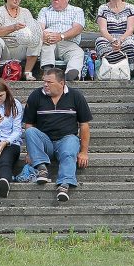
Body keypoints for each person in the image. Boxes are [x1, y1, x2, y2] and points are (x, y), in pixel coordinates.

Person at [23, 67, 92, 202]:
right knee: (30, 131)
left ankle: (64, 185)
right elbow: (29, 124)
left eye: (49, 82)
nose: (45, 85)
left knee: (71, 144)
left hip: (66, 140)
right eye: (44, 81)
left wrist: (84, 152)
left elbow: (84, 125)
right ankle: (42, 168)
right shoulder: (36, 95)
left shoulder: (76, 96)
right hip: (45, 142)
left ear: (61, 83)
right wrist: (30, 152)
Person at [0, 0, 42, 81]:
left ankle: (28, 73)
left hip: (21, 47)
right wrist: (13, 27)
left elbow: (33, 30)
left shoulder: (26, 12)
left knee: (36, 39)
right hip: (5, 48)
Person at [37, 0, 85, 81]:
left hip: (68, 42)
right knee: (47, 42)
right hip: (50, 41)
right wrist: (44, 35)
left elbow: (78, 28)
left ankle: (71, 74)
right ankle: (48, 71)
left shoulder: (77, 11)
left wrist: (61, 36)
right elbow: (39, 27)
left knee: (78, 52)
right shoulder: (45, 10)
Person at [94, 0, 134, 78]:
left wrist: (120, 40)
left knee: (130, 44)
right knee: (100, 43)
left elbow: (130, 29)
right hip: (108, 36)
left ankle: (133, 70)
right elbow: (103, 30)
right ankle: (108, 69)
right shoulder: (103, 8)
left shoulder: (130, 7)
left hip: (125, 35)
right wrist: (113, 40)